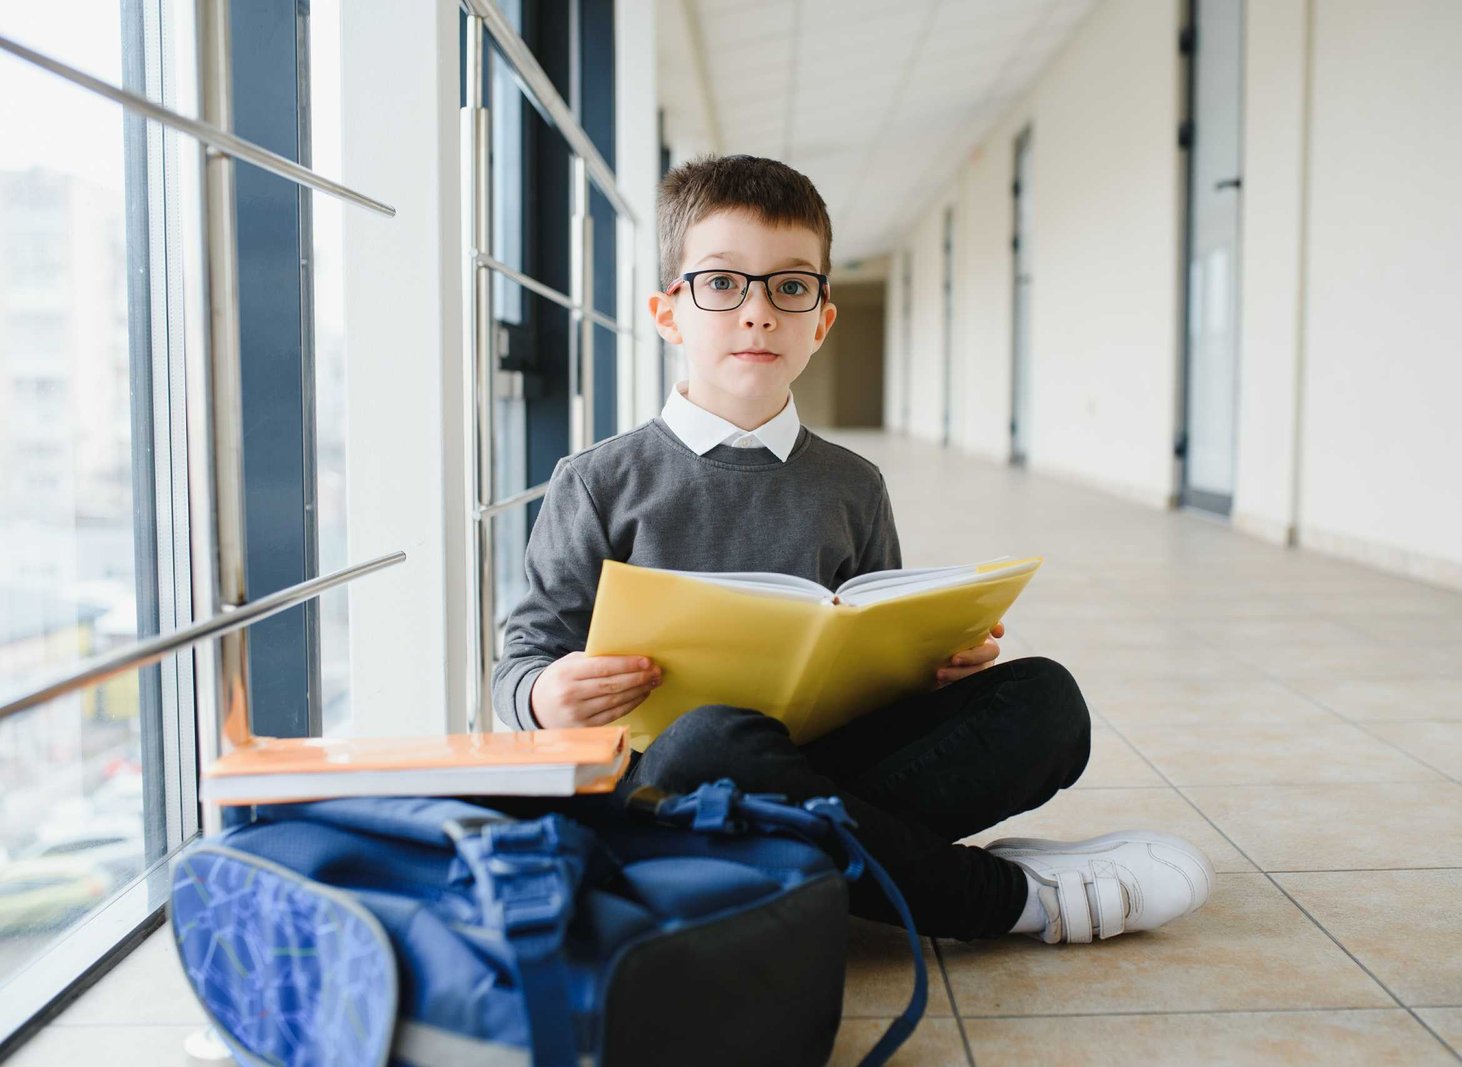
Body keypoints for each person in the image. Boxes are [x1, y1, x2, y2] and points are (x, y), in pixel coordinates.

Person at [491, 153, 1214, 945]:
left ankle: (805, 854)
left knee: (1046, 700)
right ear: (669, 313)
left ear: (821, 319)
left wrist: (934, 669)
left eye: (790, 286)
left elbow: (875, 634)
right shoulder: (598, 480)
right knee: (715, 735)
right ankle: (1014, 898)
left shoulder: (852, 483)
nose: (758, 312)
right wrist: (544, 696)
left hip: (823, 767)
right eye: (723, 283)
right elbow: (521, 661)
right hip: (675, 785)